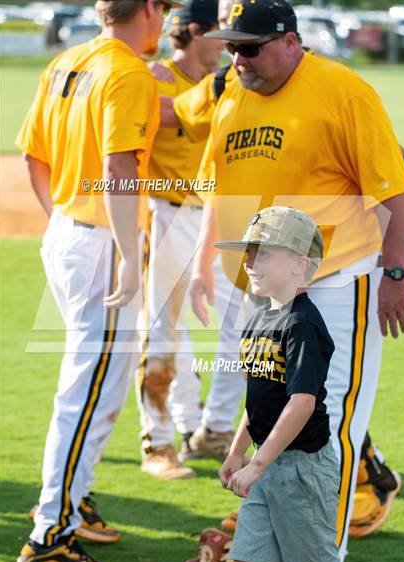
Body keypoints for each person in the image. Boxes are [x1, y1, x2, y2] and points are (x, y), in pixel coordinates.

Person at [189, 0, 404, 562]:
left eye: (251, 47)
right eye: (232, 46)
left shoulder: (343, 92)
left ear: (290, 40)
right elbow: (218, 186)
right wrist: (199, 265)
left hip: (336, 285)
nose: (238, 58)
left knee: (323, 430)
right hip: (263, 291)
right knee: (269, 416)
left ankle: (317, 556)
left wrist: (394, 275)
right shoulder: (234, 96)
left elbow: (393, 191)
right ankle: (263, 554)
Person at [14, 0, 177, 562]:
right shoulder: (126, 71)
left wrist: (66, 221)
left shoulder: (67, 60)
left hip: (68, 232)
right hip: (102, 242)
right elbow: (119, 169)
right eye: (165, 10)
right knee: (87, 392)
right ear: (150, 9)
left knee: (95, 385)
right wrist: (128, 255)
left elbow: (34, 157)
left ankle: (73, 498)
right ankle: (48, 537)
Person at [136, 0, 249, 480]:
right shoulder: (154, 78)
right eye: (222, 32)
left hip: (221, 215)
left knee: (240, 327)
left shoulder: (234, 78)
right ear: (199, 32)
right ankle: (159, 441)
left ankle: (215, 429)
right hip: (167, 214)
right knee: (165, 332)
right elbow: (157, 118)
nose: (230, 44)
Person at [216, 205, 340, 562]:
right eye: (250, 253)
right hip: (265, 459)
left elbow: (301, 404)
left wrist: (256, 465)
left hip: (302, 469)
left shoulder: (302, 323)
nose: (251, 262)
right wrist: (238, 452)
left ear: (299, 264)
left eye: (264, 253)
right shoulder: (258, 318)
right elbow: (258, 401)